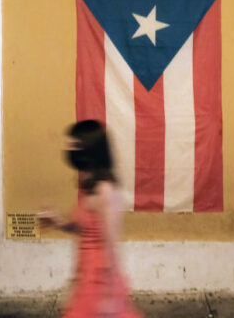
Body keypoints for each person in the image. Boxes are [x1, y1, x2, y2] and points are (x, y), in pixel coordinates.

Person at [38, 120, 143, 318]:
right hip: (86, 278)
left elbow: (111, 246)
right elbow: (84, 229)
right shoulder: (90, 188)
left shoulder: (105, 191)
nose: (69, 149)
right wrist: (58, 222)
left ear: (90, 150)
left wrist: (110, 297)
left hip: (100, 282)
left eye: (74, 144)